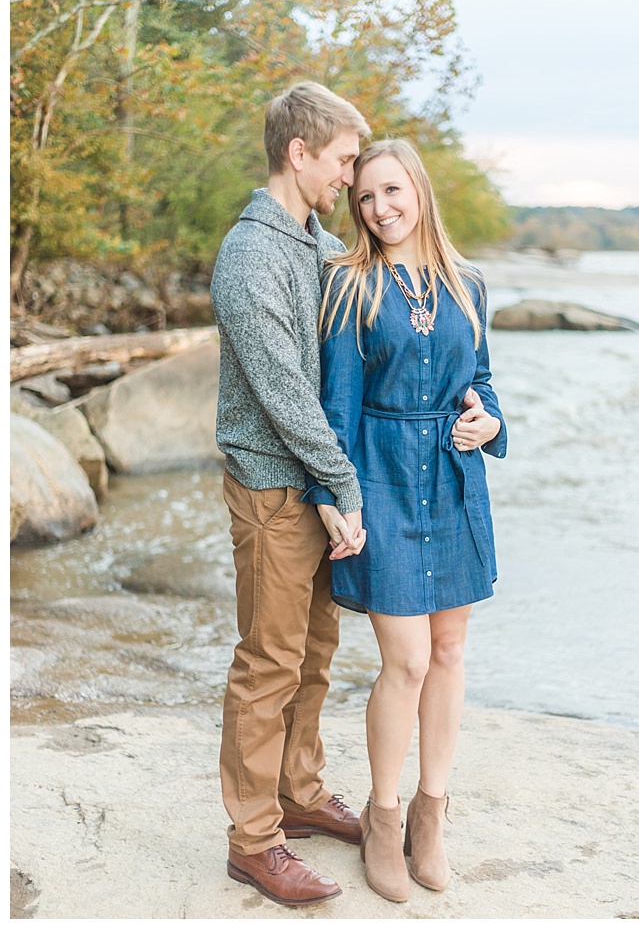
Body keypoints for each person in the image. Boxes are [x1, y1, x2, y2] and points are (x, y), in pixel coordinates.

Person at [303, 137, 507, 903]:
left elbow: (482, 383)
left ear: (418, 190)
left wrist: (489, 422)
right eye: (365, 197)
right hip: (382, 480)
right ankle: (382, 819)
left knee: (450, 651)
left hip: (454, 483)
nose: (380, 208)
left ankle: (432, 815)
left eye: (392, 191)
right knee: (408, 661)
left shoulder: (468, 285)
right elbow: (337, 408)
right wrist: (336, 498)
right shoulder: (350, 285)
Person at [211, 81, 372, 906]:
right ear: (298, 152)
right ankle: (253, 841)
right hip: (275, 487)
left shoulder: (314, 240)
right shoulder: (251, 255)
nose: (350, 177)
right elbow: (282, 389)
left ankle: (299, 795)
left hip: (310, 487)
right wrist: (340, 480)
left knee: (315, 654)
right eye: (344, 161)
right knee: (268, 664)